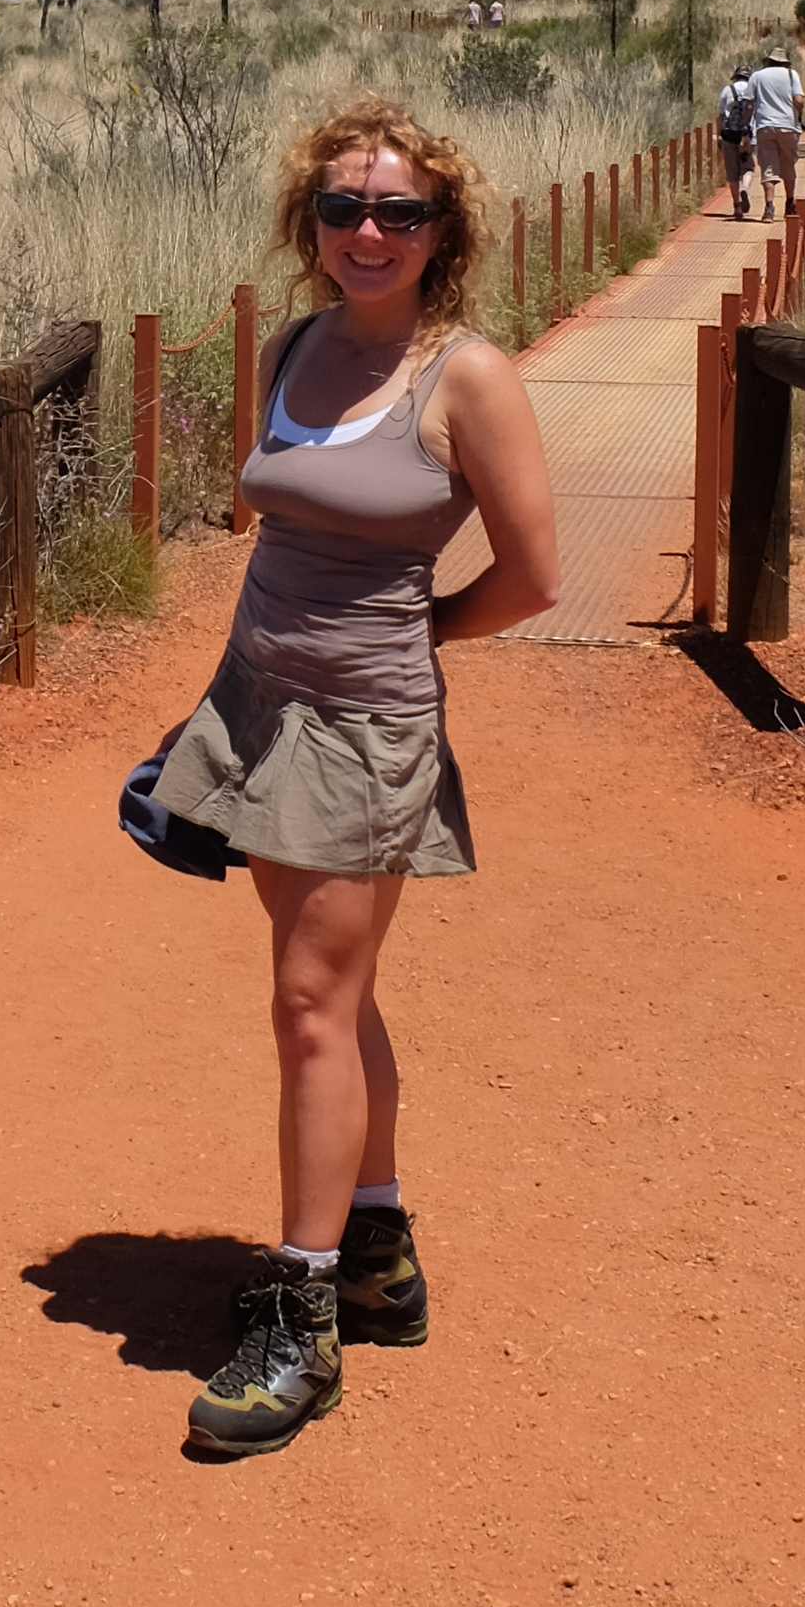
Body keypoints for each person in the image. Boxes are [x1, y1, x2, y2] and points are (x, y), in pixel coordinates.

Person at [142, 96, 562, 1458]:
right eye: (343, 209)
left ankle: (302, 1321)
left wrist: (414, 638)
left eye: (398, 212)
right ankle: (376, 1250)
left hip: (366, 728)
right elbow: (272, 521)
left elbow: (534, 578)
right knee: (340, 993)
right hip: (255, 705)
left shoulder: (468, 378)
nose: (367, 233)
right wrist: (212, 711)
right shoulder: (296, 344)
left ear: (444, 232)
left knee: (309, 1007)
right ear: (309, 224)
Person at [747, 40, 805, 215]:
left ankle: (769, 206)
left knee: (768, 166)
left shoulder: (757, 76)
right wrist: (798, 116)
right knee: (788, 164)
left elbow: (749, 104)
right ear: (785, 62)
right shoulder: (792, 75)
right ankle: (790, 203)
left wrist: (747, 124)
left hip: (765, 126)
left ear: (769, 61)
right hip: (788, 126)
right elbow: (799, 100)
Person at [716, 57, 761, 217]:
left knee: (732, 172)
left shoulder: (727, 90)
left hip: (729, 135)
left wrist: (720, 135)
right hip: (747, 135)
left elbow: (721, 115)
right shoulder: (753, 90)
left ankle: (737, 207)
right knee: (748, 167)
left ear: (736, 76)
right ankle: (745, 189)